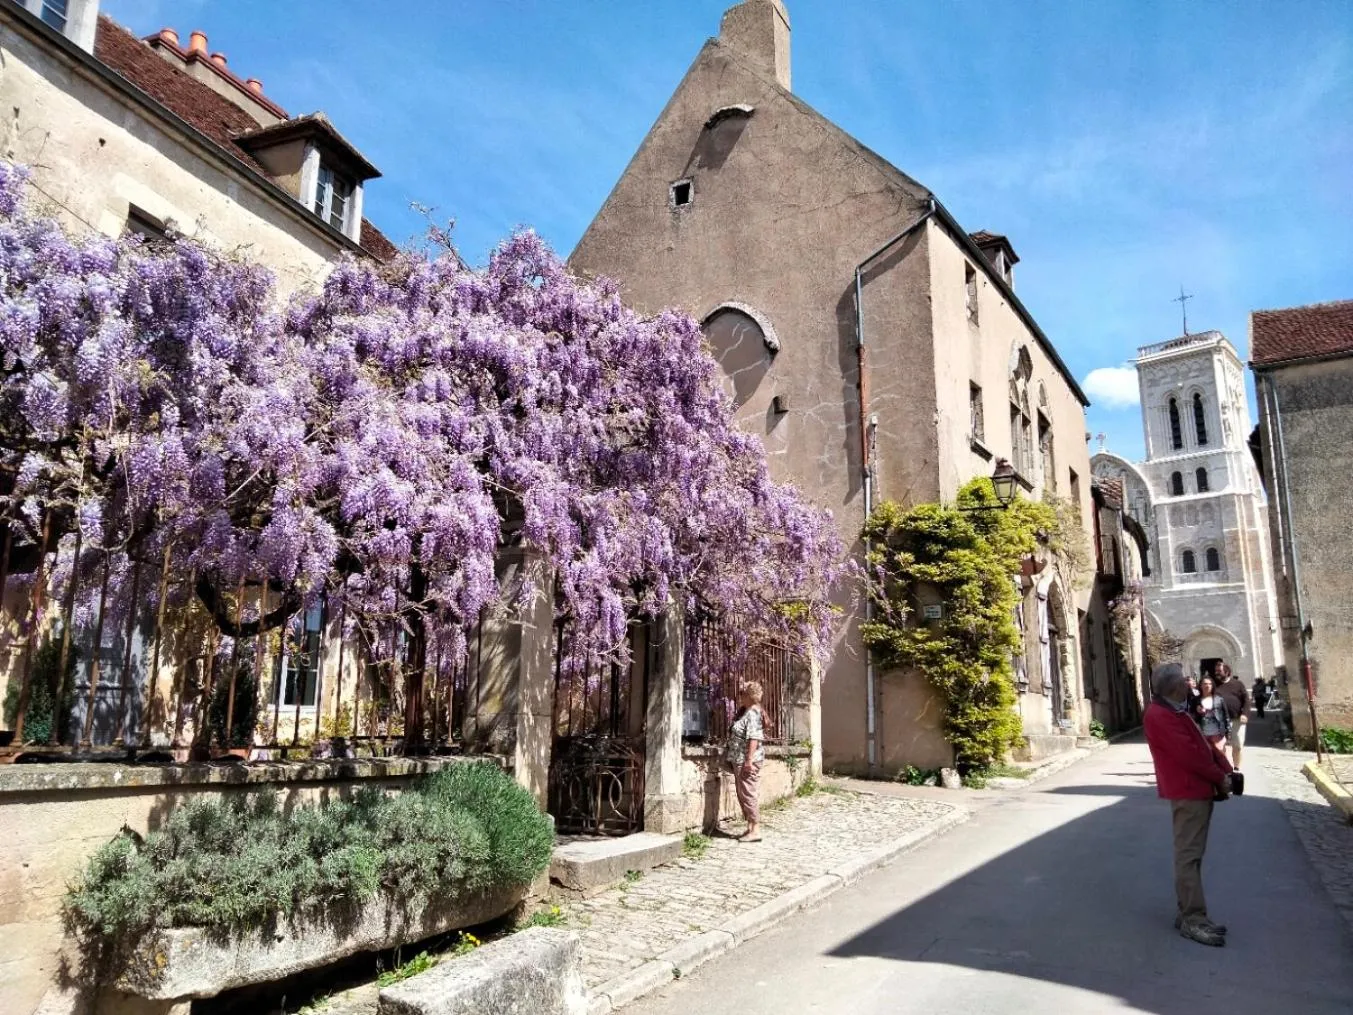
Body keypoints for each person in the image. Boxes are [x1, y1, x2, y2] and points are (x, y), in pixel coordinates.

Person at [1144, 662, 1236, 947]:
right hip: (1188, 791)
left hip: (1196, 789)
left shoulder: (1175, 710)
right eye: (1185, 681)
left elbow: (1202, 746)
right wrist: (1219, 778)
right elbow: (1190, 756)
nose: (1189, 684)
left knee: (1191, 854)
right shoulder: (1161, 714)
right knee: (1189, 855)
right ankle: (1192, 919)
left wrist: (1225, 770)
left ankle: (1188, 913)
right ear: (1174, 686)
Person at [726, 680, 766, 842]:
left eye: (742, 693)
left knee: (748, 793)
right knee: (743, 793)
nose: (740, 696)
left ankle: (755, 829)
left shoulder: (753, 714)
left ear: (749, 696)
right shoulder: (748, 712)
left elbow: (754, 738)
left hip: (747, 761)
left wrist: (748, 761)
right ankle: (750, 826)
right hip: (740, 759)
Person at [1216, 663, 1250, 770]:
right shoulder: (1214, 685)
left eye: (1219, 671)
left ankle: (1236, 767)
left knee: (1238, 745)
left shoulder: (1237, 684)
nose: (1216, 673)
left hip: (1236, 719)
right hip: (1220, 720)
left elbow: (1246, 700)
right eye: (1216, 671)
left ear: (1227, 672)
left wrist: (1245, 714)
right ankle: (1225, 767)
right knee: (1221, 746)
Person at [1195, 676, 1231, 767]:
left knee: (1221, 756)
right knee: (1206, 758)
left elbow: (1226, 716)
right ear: (1201, 686)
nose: (1207, 686)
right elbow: (1190, 716)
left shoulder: (1219, 699)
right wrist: (1197, 710)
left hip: (1217, 733)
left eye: (1210, 684)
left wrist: (1228, 732)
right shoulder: (1195, 700)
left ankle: (1226, 775)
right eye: (1205, 684)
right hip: (1202, 734)